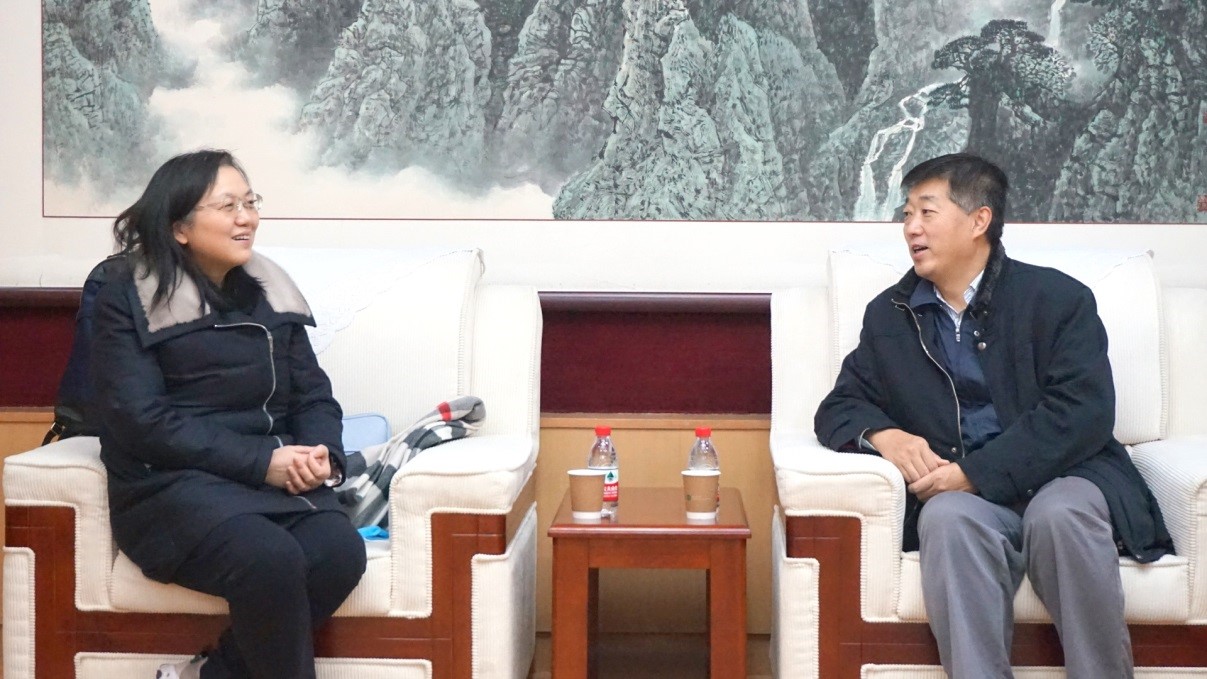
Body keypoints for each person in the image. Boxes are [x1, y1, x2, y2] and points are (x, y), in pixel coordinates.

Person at [814, 153, 1172, 678]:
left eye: (927, 212)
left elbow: (1083, 411)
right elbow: (840, 406)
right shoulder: (891, 314)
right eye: (907, 214)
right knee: (945, 518)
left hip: (1067, 478)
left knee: (1059, 515)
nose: (911, 228)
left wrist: (974, 473)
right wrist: (886, 436)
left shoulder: (1057, 299)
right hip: (968, 502)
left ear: (979, 220)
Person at [92, 149, 367, 679]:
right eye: (228, 206)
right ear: (179, 228)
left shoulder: (271, 289)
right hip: (171, 486)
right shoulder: (127, 293)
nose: (247, 219)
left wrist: (322, 454)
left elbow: (313, 396)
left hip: (268, 481)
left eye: (250, 202)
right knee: (268, 558)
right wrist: (263, 462)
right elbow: (140, 420)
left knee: (338, 552)